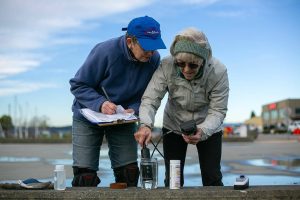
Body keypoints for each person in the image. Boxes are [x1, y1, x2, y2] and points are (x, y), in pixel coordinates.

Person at [69, 16, 166, 187]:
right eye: (146, 48)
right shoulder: (104, 51)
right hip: (88, 114)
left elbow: (147, 95)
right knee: (85, 177)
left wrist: (134, 109)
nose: (151, 53)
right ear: (130, 41)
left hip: (123, 117)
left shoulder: (153, 59)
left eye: (154, 47)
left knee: (129, 174)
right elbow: (78, 85)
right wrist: (100, 103)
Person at [134, 27, 229, 187]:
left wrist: (203, 130)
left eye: (193, 65)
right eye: (180, 64)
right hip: (173, 125)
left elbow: (218, 110)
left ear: (203, 61)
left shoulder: (218, 71)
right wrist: (145, 124)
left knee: (212, 176)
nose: (186, 70)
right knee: (173, 180)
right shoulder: (166, 65)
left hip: (209, 126)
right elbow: (150, 99)